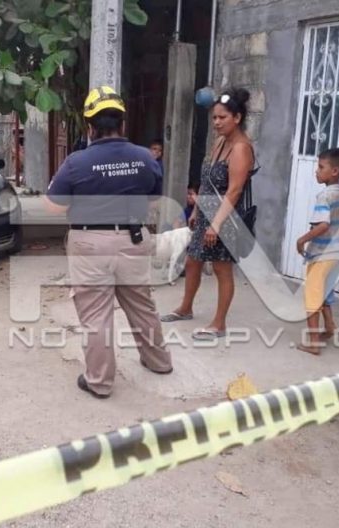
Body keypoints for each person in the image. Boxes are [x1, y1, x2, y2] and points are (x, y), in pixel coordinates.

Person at [44, 86, 173, 399]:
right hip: (133, 238)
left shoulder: (76, 162)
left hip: (90, 244)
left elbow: (54, 206)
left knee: (96, 315)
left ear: (90, 127)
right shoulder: (145, 157)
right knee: (142, 305)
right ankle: (158, 362)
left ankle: (100, 382)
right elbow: (155, 197)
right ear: (123, 125)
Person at [160, 88, 257, 340]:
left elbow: (234, 191)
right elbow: (206, 179)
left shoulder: (241, 148)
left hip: (226, 218)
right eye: (214, 118)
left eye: (222, 117)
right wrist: (196, 209)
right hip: (207, 214)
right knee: (193, 261)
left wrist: (215, 224)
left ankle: (218, 323)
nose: (216, 123)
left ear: (237, 118)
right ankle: (185, 308)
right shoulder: (219, 142)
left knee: (221, 269)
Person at [295, 148, 339, 355]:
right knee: (325, 290)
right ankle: (329, 327)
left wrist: (301, 240)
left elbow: (322, 225)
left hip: (322, 254)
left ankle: (313, 342)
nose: (316, 171)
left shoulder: (325, 196)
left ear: (335, 171)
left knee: (312, 294)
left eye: (321, 167)